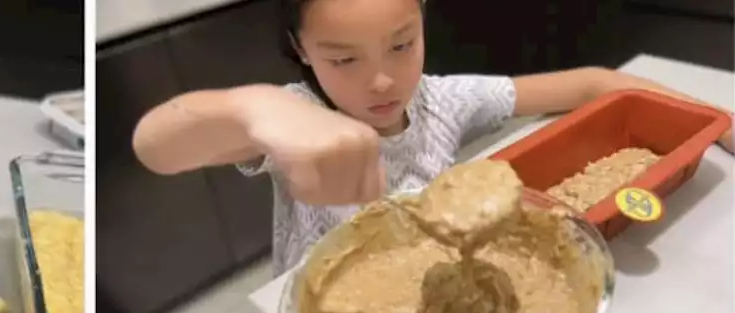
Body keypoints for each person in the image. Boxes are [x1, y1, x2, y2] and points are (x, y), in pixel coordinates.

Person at [132, 0, 735, 276]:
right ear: (301, 52)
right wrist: (251, 108)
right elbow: (154, 146)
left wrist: (721, 122)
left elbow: (597, 84)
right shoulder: (295, 119)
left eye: (402, 44)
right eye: (343, 59)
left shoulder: (442, 99)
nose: (382, 79)